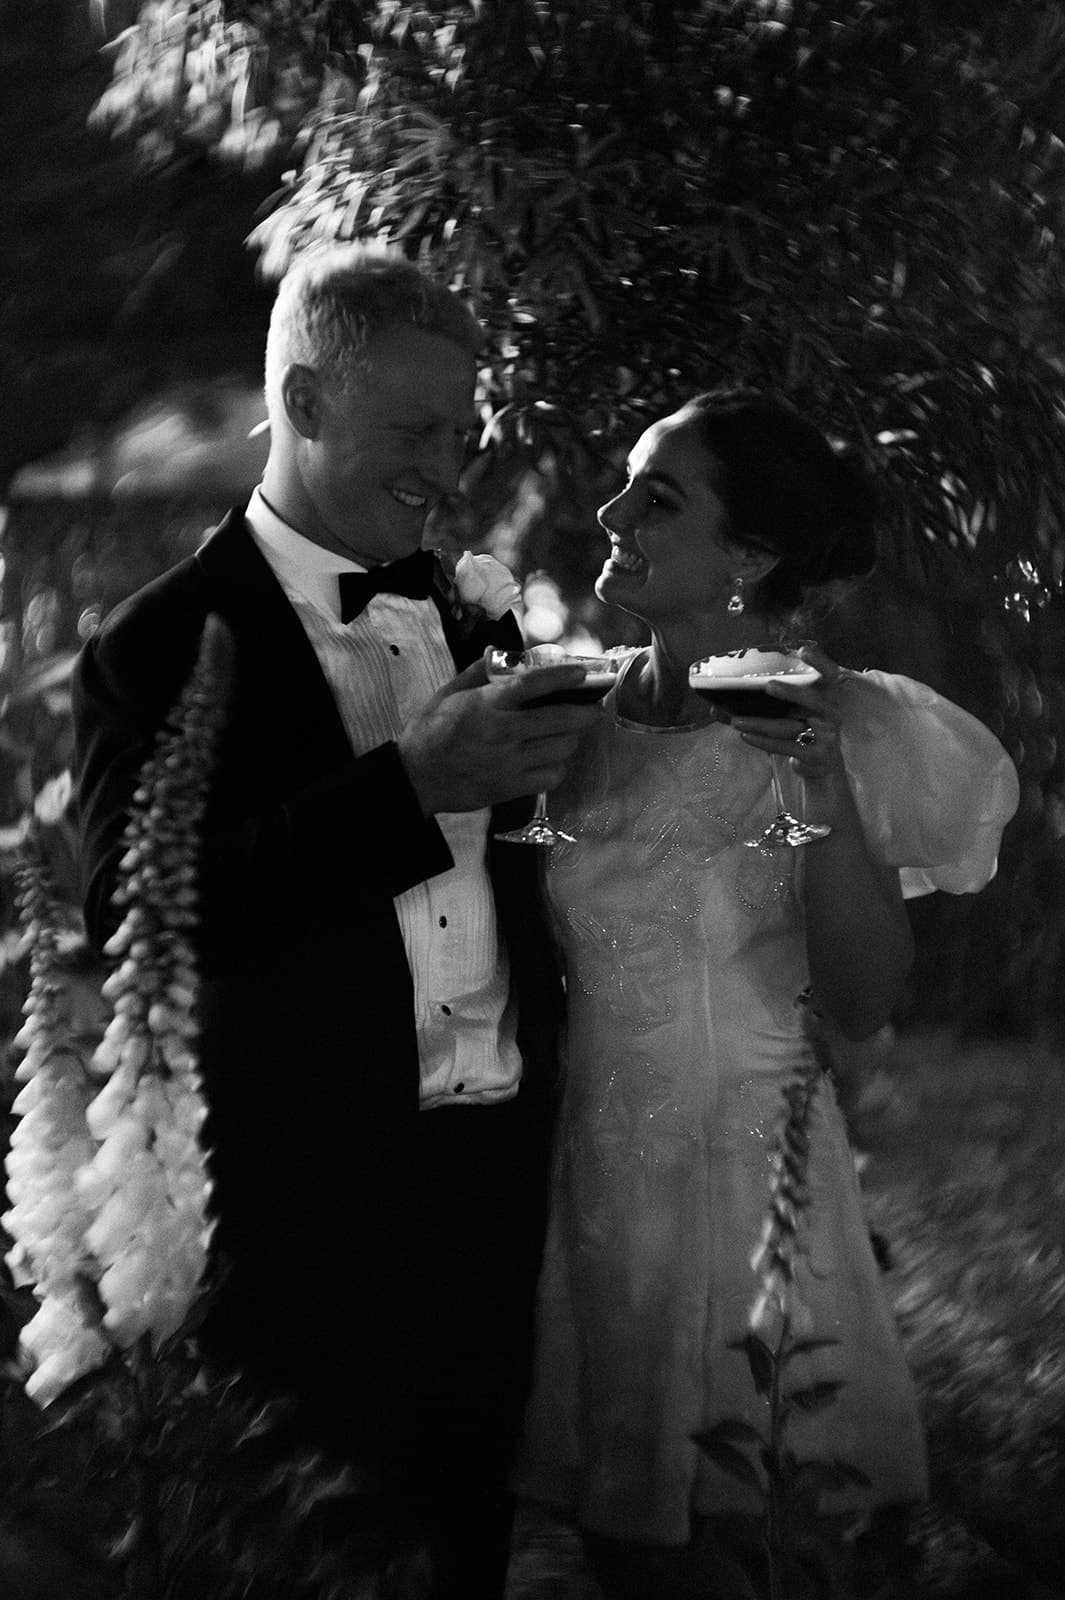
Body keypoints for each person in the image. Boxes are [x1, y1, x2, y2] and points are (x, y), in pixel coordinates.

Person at [71, 244, 600, 1599]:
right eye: (414, 431)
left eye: (459, 434)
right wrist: (411, 787)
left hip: (491, 1182)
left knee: (468, 1548)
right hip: (308, 1209)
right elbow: (148, 916)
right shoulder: (152, 646)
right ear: (302, 406)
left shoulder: (472, 620)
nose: (447, 467)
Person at [516, 388, 1020, 1596]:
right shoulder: (565, 717)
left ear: (749, 557)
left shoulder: (841, 722)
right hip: (591, 1199)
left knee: (757, 1549)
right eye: (628, 481)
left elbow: (863, 1004)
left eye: (659, 496)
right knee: (622, 1546)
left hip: (752, 1194)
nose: (612, 509)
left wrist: (825, 796)